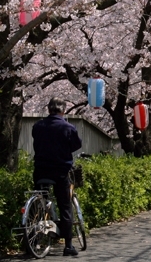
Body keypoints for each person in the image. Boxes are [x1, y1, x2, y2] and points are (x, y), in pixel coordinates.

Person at [32, 98, 83, 257]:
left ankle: (33, 240)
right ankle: (68, 246)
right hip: (60, 171)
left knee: (39, 202)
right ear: (63, 110)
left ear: (48, 110)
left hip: (40, 170)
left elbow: (36, 143)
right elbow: (76, 145)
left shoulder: (37, 126)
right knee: (65, 206)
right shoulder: (68, 127)